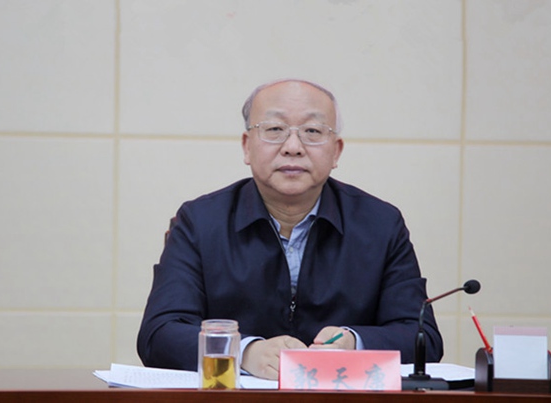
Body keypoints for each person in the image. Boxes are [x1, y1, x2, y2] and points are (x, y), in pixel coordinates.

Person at [137, 79, 443, 380]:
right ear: (247, 146)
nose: (293, 147)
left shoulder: (380, 224)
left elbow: (423, 338)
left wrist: (354, 343)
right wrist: (243, 352)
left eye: (312, 131)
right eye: (274, 130)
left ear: (336, 152)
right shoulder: (200, 222)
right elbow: (159, 334)